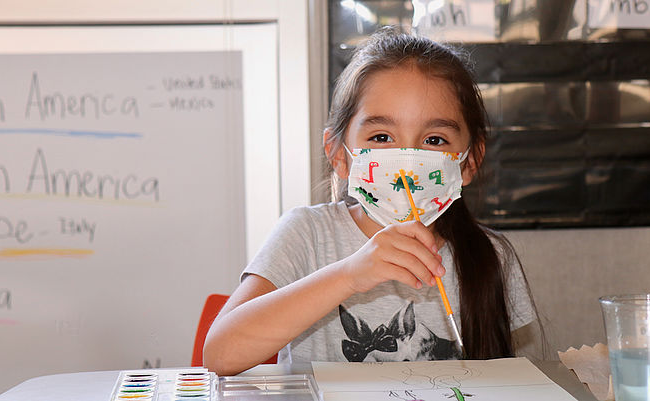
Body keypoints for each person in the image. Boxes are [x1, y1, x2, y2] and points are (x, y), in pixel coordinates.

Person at [203, 28, 538, 376]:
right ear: (338, 153)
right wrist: (349, 275)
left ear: (469, 161)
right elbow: (220, 354)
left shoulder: (488, 255)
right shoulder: (307, 235)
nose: (407, 159)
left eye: (434, 139)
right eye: (381, 137)